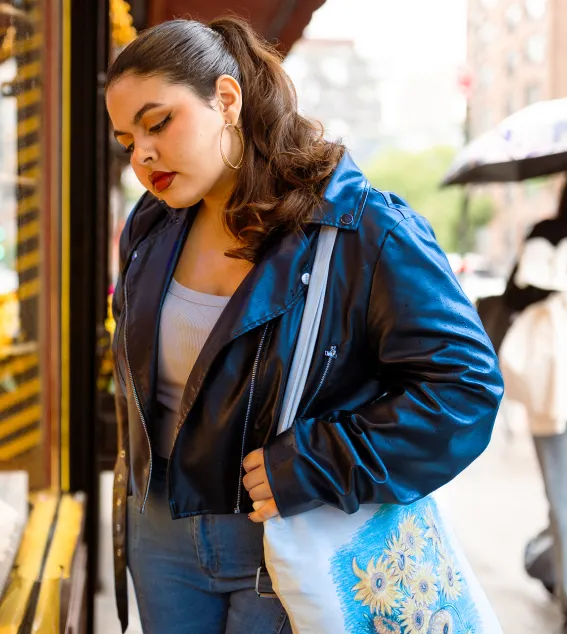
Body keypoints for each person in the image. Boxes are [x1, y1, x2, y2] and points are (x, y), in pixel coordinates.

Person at [106, 17, 503, 633]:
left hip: (293, 536)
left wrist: (321, 460)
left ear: (227, 99)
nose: (144, 155)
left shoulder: (362, 228)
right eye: (127, 140)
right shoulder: (150, 228)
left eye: (159, 123)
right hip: (160, 538)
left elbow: (465, 389)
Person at [499, 181, 567, 620]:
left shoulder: (546, 234)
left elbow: (513, 297)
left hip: (554, 389)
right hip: (552, 388)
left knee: (562, 496)